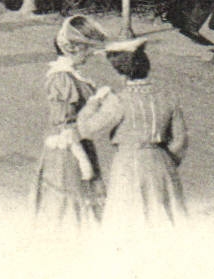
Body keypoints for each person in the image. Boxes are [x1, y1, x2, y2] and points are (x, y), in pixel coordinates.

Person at [77, 37, 188, 228]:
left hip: (128, 164)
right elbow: (180, 140)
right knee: (165, 221)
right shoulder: (168, 97)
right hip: (162, 163)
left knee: (129, 220)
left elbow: (86, 129)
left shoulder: (119, 100)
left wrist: (95, 101)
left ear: (121, 73)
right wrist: (167, 162)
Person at [34, 16, 109, 228]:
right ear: (72, 48)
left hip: (78, 144)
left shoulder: (70, 75)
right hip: (69, 151)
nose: (91, 54)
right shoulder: (62, 79)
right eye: (86, 49)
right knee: (70, 206)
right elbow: (64, 127)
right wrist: (83, 160)